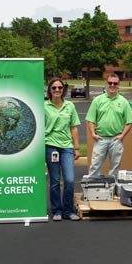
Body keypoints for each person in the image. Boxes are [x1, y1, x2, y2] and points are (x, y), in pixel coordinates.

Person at [45, 78, 81, 222]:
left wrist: (76, 147)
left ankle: (68, 210)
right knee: (54, 181)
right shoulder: (44, 106)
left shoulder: (70, 106)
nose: (57, 90)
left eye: (60, 87)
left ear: (63, 90)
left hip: (67, 147)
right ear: (50, 90)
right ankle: (57, 210)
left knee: (70, 179)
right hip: (50, 145)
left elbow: (74, 127)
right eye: (54, 88)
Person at [86, 73, 132, 178]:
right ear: (106, 84)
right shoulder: (98, 100)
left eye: (115, 83)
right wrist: (93, 134)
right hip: (100, 139)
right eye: (110, 83)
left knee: (115, 167)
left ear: (118, 85)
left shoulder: (123, 102)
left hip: (116, 139)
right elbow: (90, 119)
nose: (112, 85)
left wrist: (122, 136)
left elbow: (130, 121)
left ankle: (112, 190)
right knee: (95, 165)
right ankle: (93, 190)